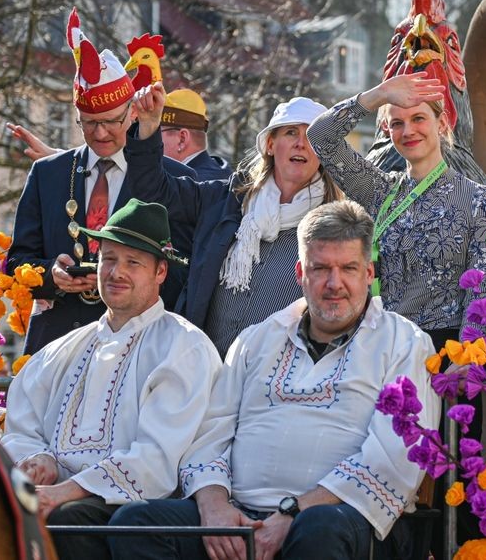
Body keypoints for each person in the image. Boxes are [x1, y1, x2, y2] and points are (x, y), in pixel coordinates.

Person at [108, 201, 440, 560]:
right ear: (300, 273)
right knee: (135, 523)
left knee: (319, 531)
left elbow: (395, 457)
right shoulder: (258, 339)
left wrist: (294, 513)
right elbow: (210, 434)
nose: (334, 283)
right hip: (238, 517)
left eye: (348, 268)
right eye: (320, 268)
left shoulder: (403, 342)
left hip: (340, 519)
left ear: (369, 272)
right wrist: (215, 506)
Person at [1, 199, 221, 560]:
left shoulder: (183, 347)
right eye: (109, 259)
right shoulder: (63, 350)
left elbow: (156, 462)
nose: (116, 272)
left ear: (160, 272)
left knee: (68, 520)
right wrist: (39, 458)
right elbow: (21, 422)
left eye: (133, 262)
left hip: (138, 505)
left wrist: (66, 491)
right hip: (57, 495)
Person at [7, 10, 196, 354]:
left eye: (111, 121)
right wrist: (52, 275)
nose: (100, 133)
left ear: (133, 112)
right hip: (57, 345)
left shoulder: (174, 178)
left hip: (141, 347)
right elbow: (17, 261)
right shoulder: (48, 174)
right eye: (88, 123)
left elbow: (186, 270)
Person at [125, 84, 344, 356]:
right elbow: (152, 191)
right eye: (291, 132)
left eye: (311, 137)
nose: (301, 143)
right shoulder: (226, 199)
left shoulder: (334, 226)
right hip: (205, 369)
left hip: (277, 383)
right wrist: (147, 126)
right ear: (271, 144)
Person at [307, 71, 486, 348]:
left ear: (442, 123)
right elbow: (320, 137)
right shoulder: (379, 190)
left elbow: (484, 290)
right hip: (381, 347)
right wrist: (378, 95)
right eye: (397, 123)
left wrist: (466, 360)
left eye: (418, 118)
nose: (408, 131)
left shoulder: (479, 199)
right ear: (387, 131)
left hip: (444, 354)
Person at [6, 89, 230, 181]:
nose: (143, 140)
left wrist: (61, 160)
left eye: (152, 132)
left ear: (182, 138)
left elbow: (130, 175)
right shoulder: (210, 172)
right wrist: (61, 159)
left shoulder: (202, 181)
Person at [155, 89, 231, 181]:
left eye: (155, 134)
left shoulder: (193, 186)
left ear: (182, 139)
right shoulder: (213, 174)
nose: (148, 140)